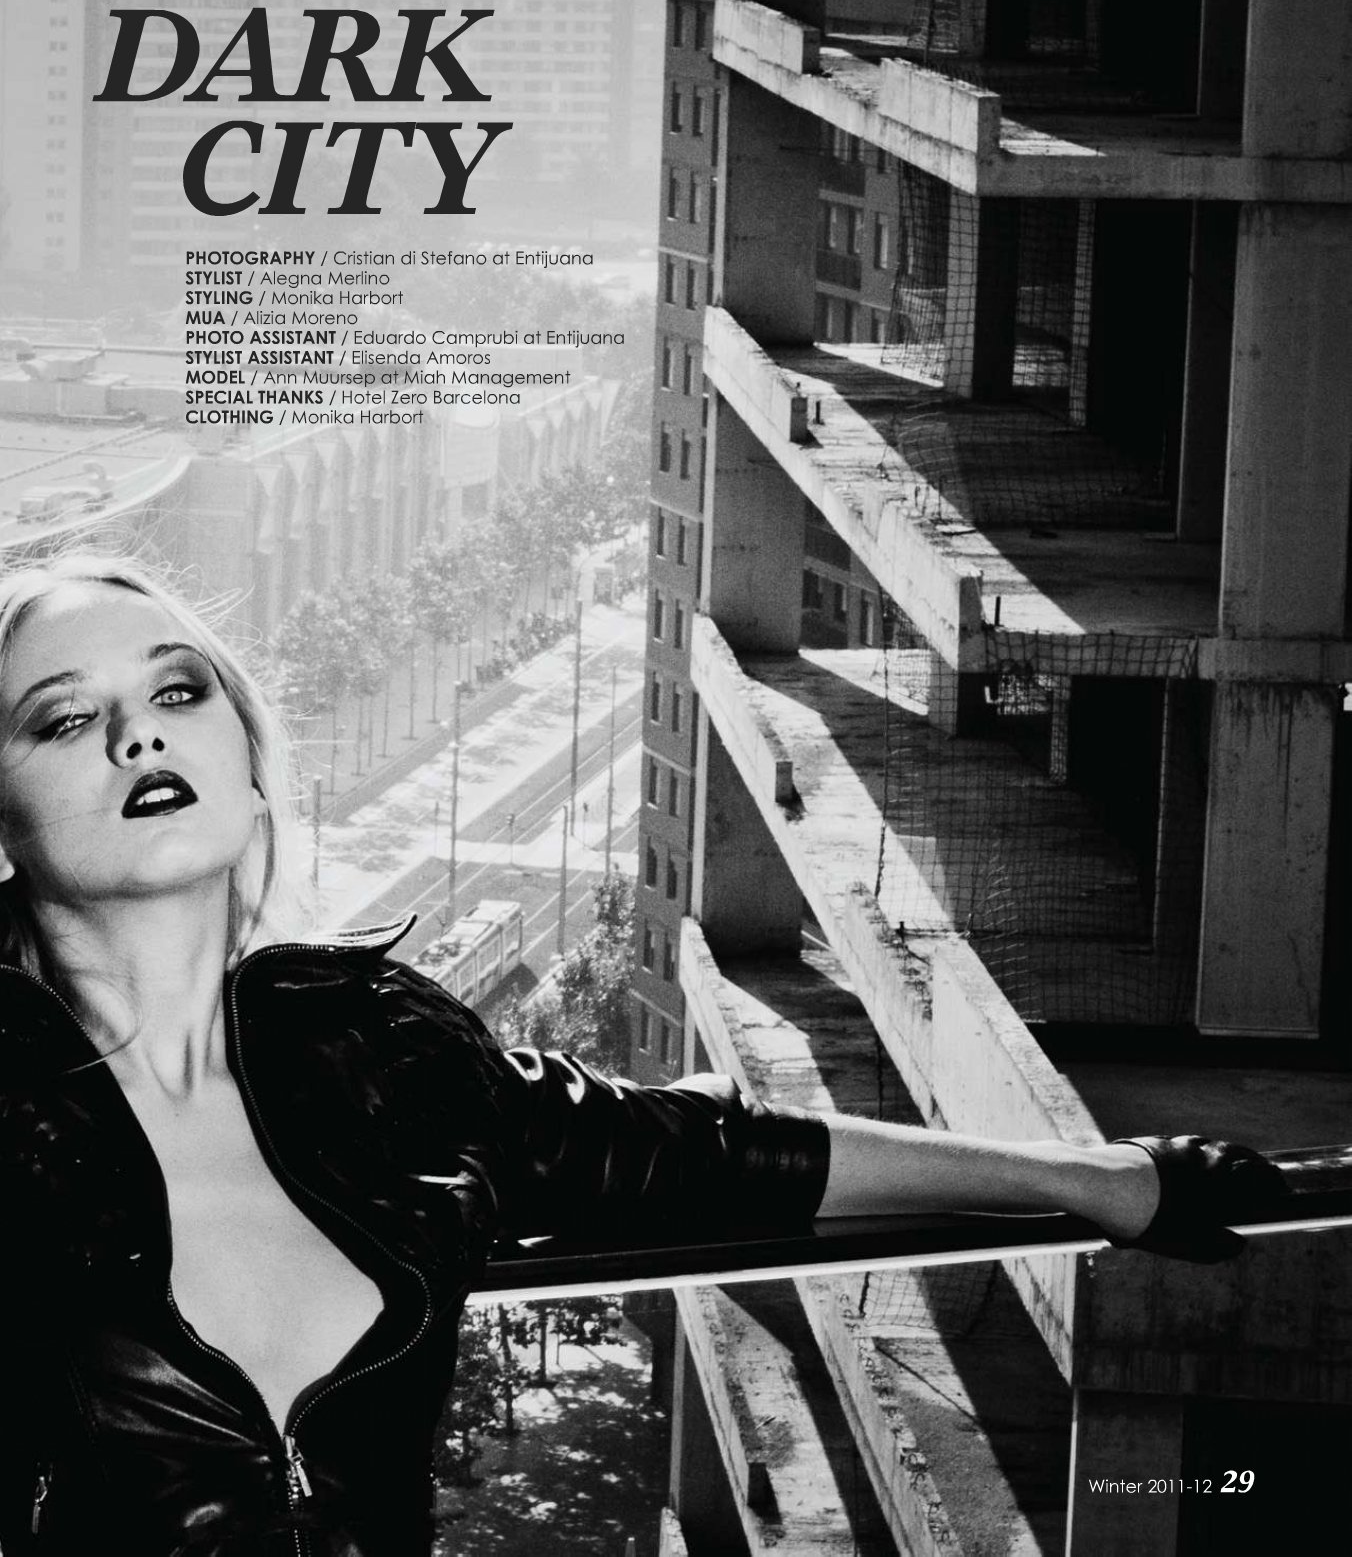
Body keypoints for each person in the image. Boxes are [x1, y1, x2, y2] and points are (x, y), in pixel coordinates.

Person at [0, 554, 1286, 1557]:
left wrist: (1094, 1181)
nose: (139, 736)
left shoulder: (376, 1054)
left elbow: (710, 1155)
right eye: (63, 719)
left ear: (249, 760)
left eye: (178, 691)